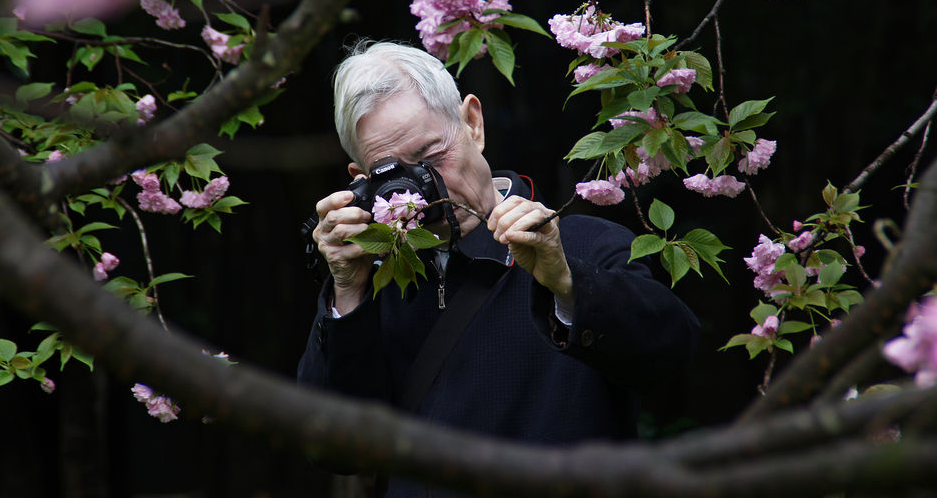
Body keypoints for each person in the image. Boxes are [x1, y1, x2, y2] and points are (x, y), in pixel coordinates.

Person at [298, 41, 699, 497]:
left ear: (473, 123)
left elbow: (674, 353)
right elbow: (334, 450)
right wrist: (347, 294)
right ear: (360, 180)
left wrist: (566, 283)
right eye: (396, 177)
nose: (425, 189)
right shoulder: (376, 286)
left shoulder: (583, 245)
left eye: (432, 157)